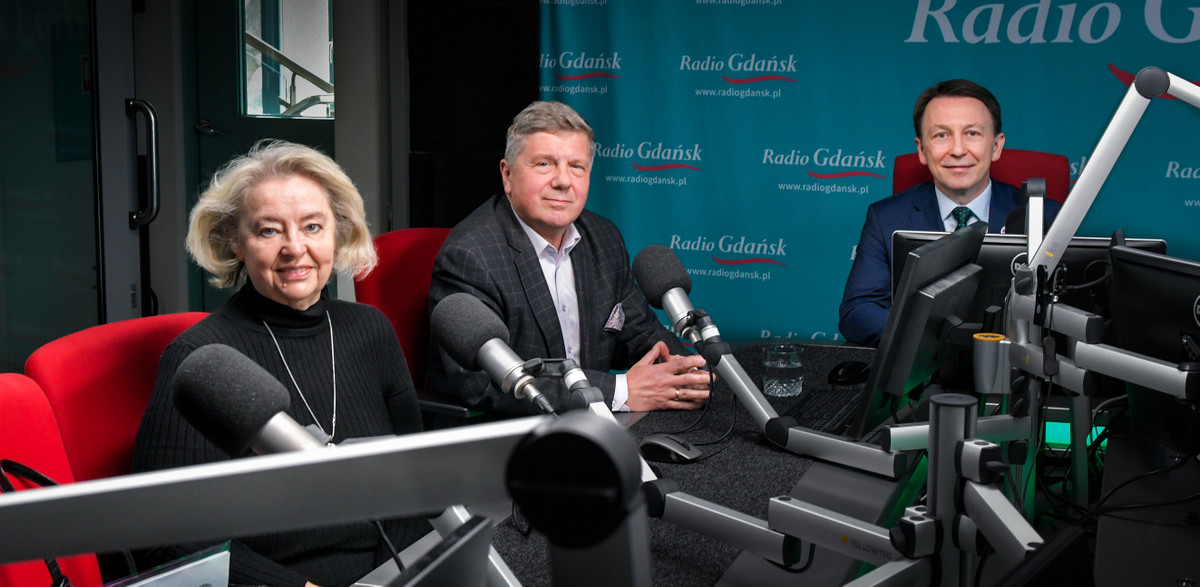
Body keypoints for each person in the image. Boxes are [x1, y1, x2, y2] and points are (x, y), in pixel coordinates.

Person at [133, 140, 427, 587]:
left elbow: (415, 477)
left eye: (312, 226)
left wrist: (411, 567)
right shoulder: (201, 360)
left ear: (337, 230)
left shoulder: (371, 330)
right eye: (269, 231)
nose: (295, 248)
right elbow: (161, 534)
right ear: (236, 240)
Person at [426, 100, 710, 416]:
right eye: (544, 164)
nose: (563, 181)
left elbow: (640, 334)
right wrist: (621, 390)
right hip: (516, 440)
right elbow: (480, 384)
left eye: (576, 166)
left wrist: (686, 372)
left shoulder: (603, 237)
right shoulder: (469, 257)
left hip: (599, 426)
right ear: (507, 175)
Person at [838, 79, 1061, 347]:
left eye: (972, 134)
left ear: (996, 146)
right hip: (919, 375)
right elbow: (858, 312)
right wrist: (936, 341)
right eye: (941, 135)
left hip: (1014, 372)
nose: (957, 150)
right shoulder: (886, 218)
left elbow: (1066, 314)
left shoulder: (1045, 218)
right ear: (922, 150)